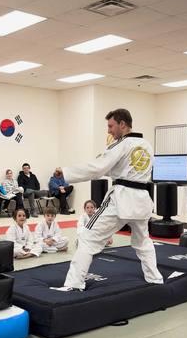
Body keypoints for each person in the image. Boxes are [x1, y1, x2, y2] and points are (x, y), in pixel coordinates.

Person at [51, 108, 163, 291]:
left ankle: (74, 283)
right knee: (143, 241)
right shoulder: (147, 145)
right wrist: (107, 156)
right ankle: (155, 278)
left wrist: (66, 172)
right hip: (142, 200)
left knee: (87, 237)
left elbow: (97, 169)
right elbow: (124, 169)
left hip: (121, 199)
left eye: (111, 126)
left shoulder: (121, 145)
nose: (109, 130)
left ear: (122, 124)